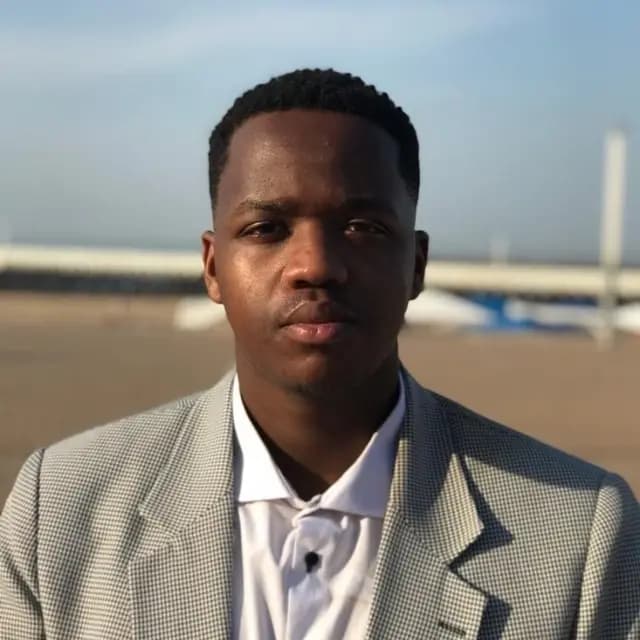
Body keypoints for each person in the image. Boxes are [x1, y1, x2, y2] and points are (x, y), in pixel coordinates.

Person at [0, 69, 638, 640]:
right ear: (213, 267)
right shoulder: (59, 508)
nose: (314, 265)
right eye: (266, 229)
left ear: (416, 265)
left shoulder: (579, 533)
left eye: (362, 228)